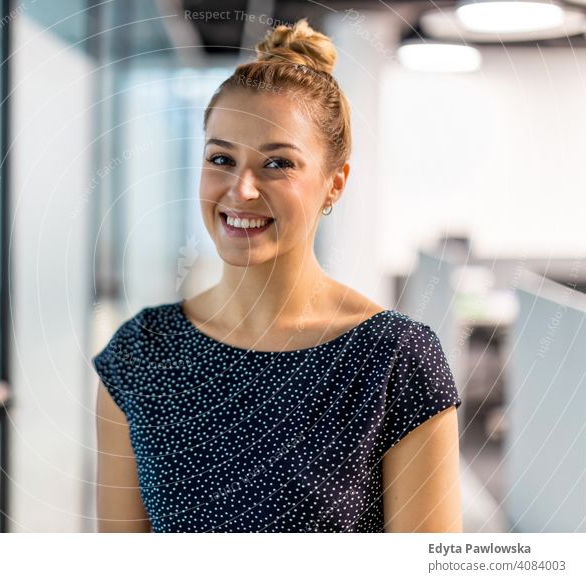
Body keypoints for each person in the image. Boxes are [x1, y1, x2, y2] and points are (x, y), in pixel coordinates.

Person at [93, 18, 462, 533]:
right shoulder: (139, 355)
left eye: (278, 164)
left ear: (335, 184)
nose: (240, 190)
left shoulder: (395, 361)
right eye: (221, 158)